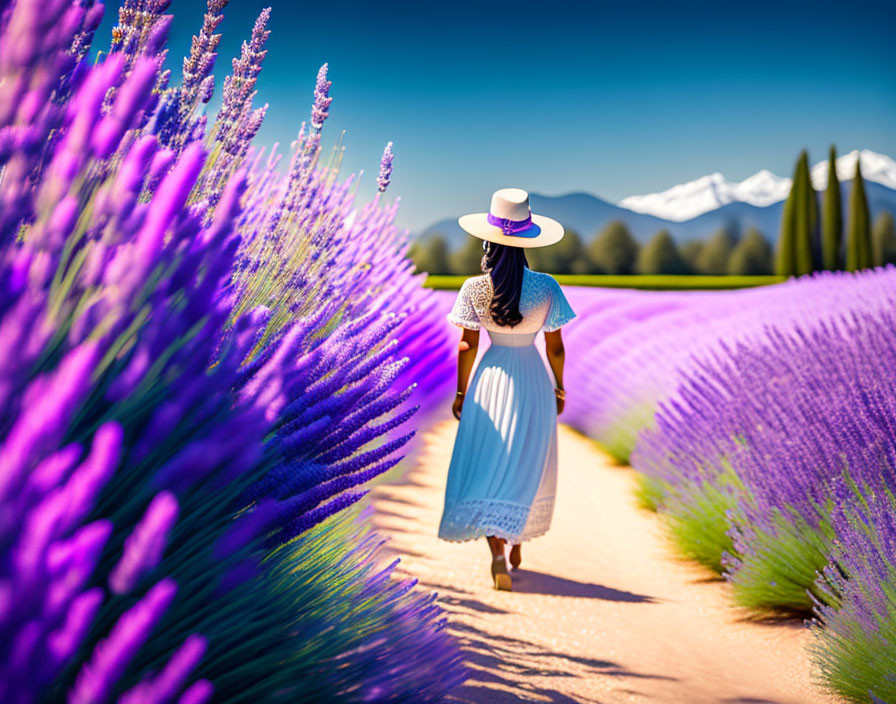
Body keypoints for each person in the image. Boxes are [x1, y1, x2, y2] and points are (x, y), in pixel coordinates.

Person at [437, 187, 576, 591]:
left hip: (491, 378)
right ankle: (515, 540)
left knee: (490, 460)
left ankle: (497, 551)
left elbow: (467, 345)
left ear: (487, 242)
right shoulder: (547, 286)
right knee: (526, 458)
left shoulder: (473, 288)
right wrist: (560, 389)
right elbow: (556, 347)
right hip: (532, 376)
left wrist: (462, 393)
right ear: (527, 238)